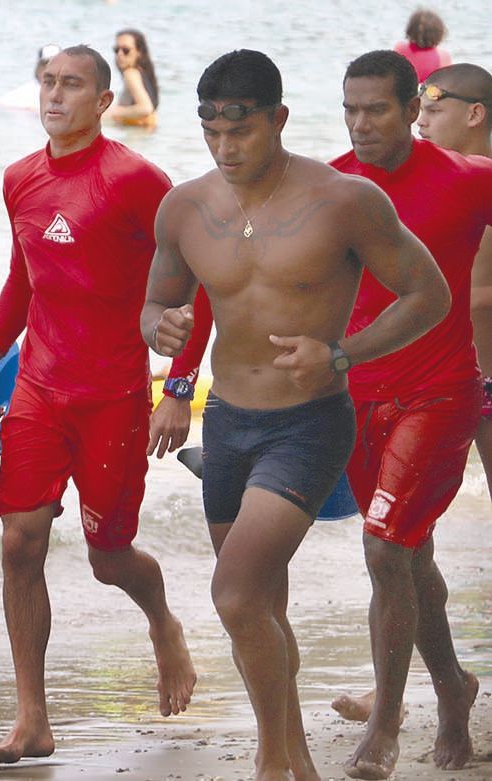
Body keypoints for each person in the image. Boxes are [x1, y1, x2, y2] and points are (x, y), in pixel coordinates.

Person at [143, 48, 449, 781]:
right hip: (228, 425)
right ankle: (294, 758)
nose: (224, 148)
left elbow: (426, 293)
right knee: (262, 605)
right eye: (210, 132)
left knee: (234, 590)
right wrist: (161, 331)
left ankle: (275, 765)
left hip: (306, 423)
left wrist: (340, 354)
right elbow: (155, 301)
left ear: (278, 119)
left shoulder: (342, 200)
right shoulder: (184, 206)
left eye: (240, 131)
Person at [0, 45, 200, 766]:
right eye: (46, 82)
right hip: (37, 388)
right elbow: (23, 273)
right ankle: (31, 717)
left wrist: (179, 388)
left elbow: (199, 279)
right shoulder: (19, 179)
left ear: (103, 101)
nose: (54, 95)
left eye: (71, 85)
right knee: (18, 541)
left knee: (107, 556)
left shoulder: (135, 181)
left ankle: (161, 622)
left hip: (115, 398)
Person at [318, 51, 490, 779]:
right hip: (354, 395)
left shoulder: (468, 179)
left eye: (376, 110)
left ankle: (386, 722)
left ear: (410, 109)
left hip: (441, 392)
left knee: (386, 547)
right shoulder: (327, 183)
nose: (361, 125)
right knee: (408, 553)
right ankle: (452, 685)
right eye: (349, 110)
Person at [414, 64, 492, 509]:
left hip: (485, 377)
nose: (420, 122)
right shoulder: (435, 184)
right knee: (411, 519)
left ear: (475, 114)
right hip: (441, 377)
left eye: (432, 111)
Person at [105, 28, 159, 126]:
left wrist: (111, 112)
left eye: (126, 50)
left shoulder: (130, 74)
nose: (120, 54)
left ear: (139, 52)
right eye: (116, 50)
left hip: (137, 137)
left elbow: (146, 108)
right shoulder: (141, 73)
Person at [394, 8, 452, 85]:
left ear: (410, 30)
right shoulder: (443, 56)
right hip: (428, 95)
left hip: (405, 93)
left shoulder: (400, 48)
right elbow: (446, 83)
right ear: (439, 33)